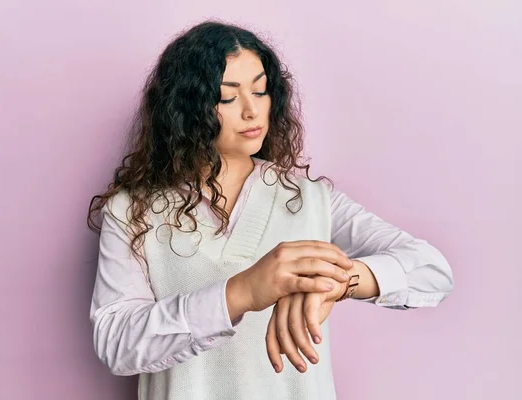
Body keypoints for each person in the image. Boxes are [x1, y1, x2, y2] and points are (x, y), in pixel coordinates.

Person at [87, 20, 454, 400]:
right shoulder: (131, 211)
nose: (252, 111)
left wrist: (340, 282)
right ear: (186, 107)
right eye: (227, 97)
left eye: (261, 91)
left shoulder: (310, 199)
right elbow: (117, 342)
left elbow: (432, 270)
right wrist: (242, 292)